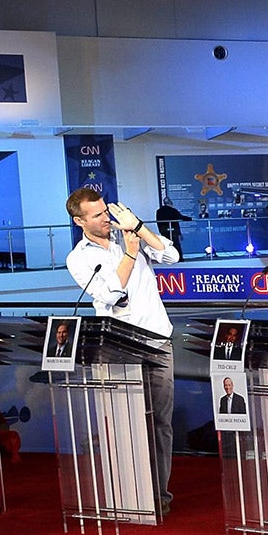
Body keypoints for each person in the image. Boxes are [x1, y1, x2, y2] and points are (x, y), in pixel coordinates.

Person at [65, 188, 180, 513]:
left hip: (158, 341)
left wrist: (139, 227)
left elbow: (171, 256)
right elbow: (112, 295)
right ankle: (129, 493)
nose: (106, 218)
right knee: (124, 424)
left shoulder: (129, 233)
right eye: (98, 215)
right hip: (120, 349)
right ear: (80, 221)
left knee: (160, 423)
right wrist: (131, 253)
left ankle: (158, 496)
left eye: (106, 211)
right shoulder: (78, 258)